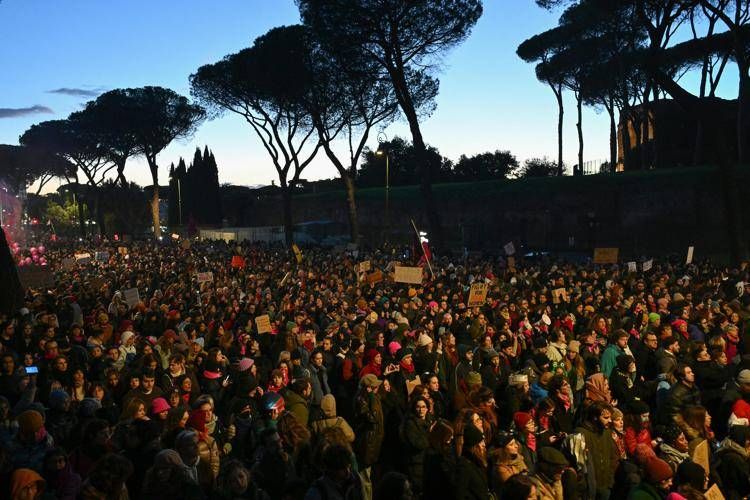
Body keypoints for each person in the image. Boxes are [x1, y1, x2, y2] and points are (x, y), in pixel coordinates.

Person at [456, 425, 491, 500]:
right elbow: (459, 494)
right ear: (474, 446)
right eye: (481, 442)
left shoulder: (477, 463)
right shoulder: (465, 466)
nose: (484, 445)